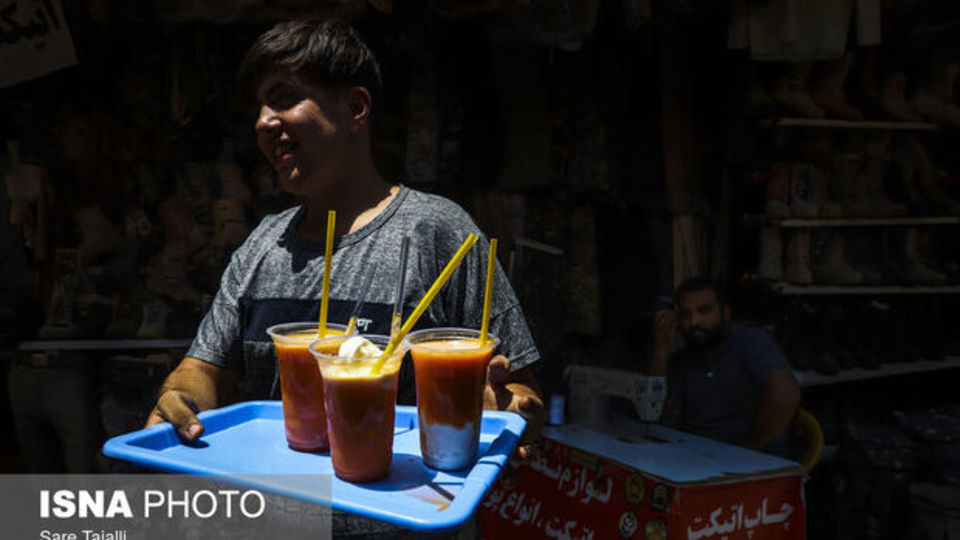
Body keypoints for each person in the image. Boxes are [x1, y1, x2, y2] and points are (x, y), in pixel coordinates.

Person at [145, 20, 544, 460]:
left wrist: (505, 408)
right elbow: (204, 369)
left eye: (283, 99)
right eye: (258, 109)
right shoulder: (262, 245)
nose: (262, 122)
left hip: (405, 515)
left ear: (355, 108)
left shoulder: (441, 231)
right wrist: (180, 397)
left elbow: (521, 389)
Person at [648, 277, 800, 456]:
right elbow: (655, 412)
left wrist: (744, 452)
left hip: (751, 462)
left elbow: (786, 396)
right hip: (699, 458)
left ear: (725, 313)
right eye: (685, 314)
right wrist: (661, 349)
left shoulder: (750, 342)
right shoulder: (683, 359)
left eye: (704, 311)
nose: (694, 321)